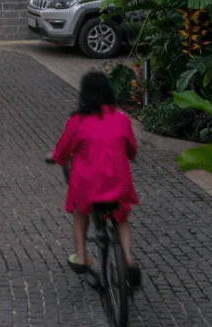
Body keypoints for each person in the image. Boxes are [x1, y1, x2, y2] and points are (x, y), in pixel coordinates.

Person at [51, 70, 140, 284]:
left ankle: (81, 256)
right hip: (118, 185)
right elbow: (132, 151)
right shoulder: (122, 119)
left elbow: (61, 153)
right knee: (121, 219)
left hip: (88, 187)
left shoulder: (77, 121)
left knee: (80, 213)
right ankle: (128, 260)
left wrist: (57, 158)